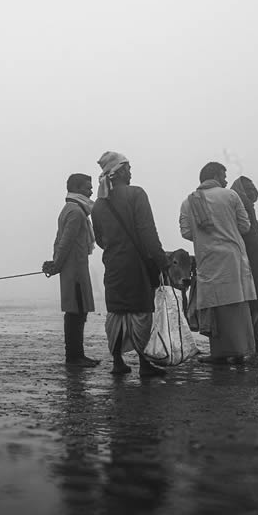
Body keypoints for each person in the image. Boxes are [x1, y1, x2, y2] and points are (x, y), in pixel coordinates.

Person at [91, 152, 170, 377]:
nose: (131, 172)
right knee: (141, 312)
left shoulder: (98, 205)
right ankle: (145, 364)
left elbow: (100, 240)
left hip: (114, 266)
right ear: (121, 171)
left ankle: (118, 362)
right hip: (137, 265)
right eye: (129, 168)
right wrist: (161, 261)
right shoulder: (136, 194)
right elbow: (148, 232)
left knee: (116, 313)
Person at [180, 163, 256, 364]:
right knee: (236, 304)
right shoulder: (230, 196)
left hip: (207, 258)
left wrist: (204, 239)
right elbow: (245, 226)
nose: (225, 180)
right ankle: (239, 352)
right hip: (232, 257)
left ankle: (219, 354)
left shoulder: (188, 202)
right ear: (214, 175)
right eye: (224, 176)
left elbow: (186, 232)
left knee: (216, 306)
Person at [42, 173, 99, 367]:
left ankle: (76, 355)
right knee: (76, 313)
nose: (91, 190)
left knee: (76, 312)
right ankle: (75, 357)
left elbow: (60, 241)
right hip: (74, 270)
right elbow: (65, 242)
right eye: (87, 187)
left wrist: (56, 263)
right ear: (76, 188)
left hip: (73, 268)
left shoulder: (70, 209)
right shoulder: (76, 212)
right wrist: (57, 264)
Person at [230, 176, 258, 354]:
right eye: (247, 189)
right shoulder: (239, 204)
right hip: (251, 256)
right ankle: (251, 342)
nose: (252, 192)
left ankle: (253, 341)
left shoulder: (246, 205)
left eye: (252, 188)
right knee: (257, 300)